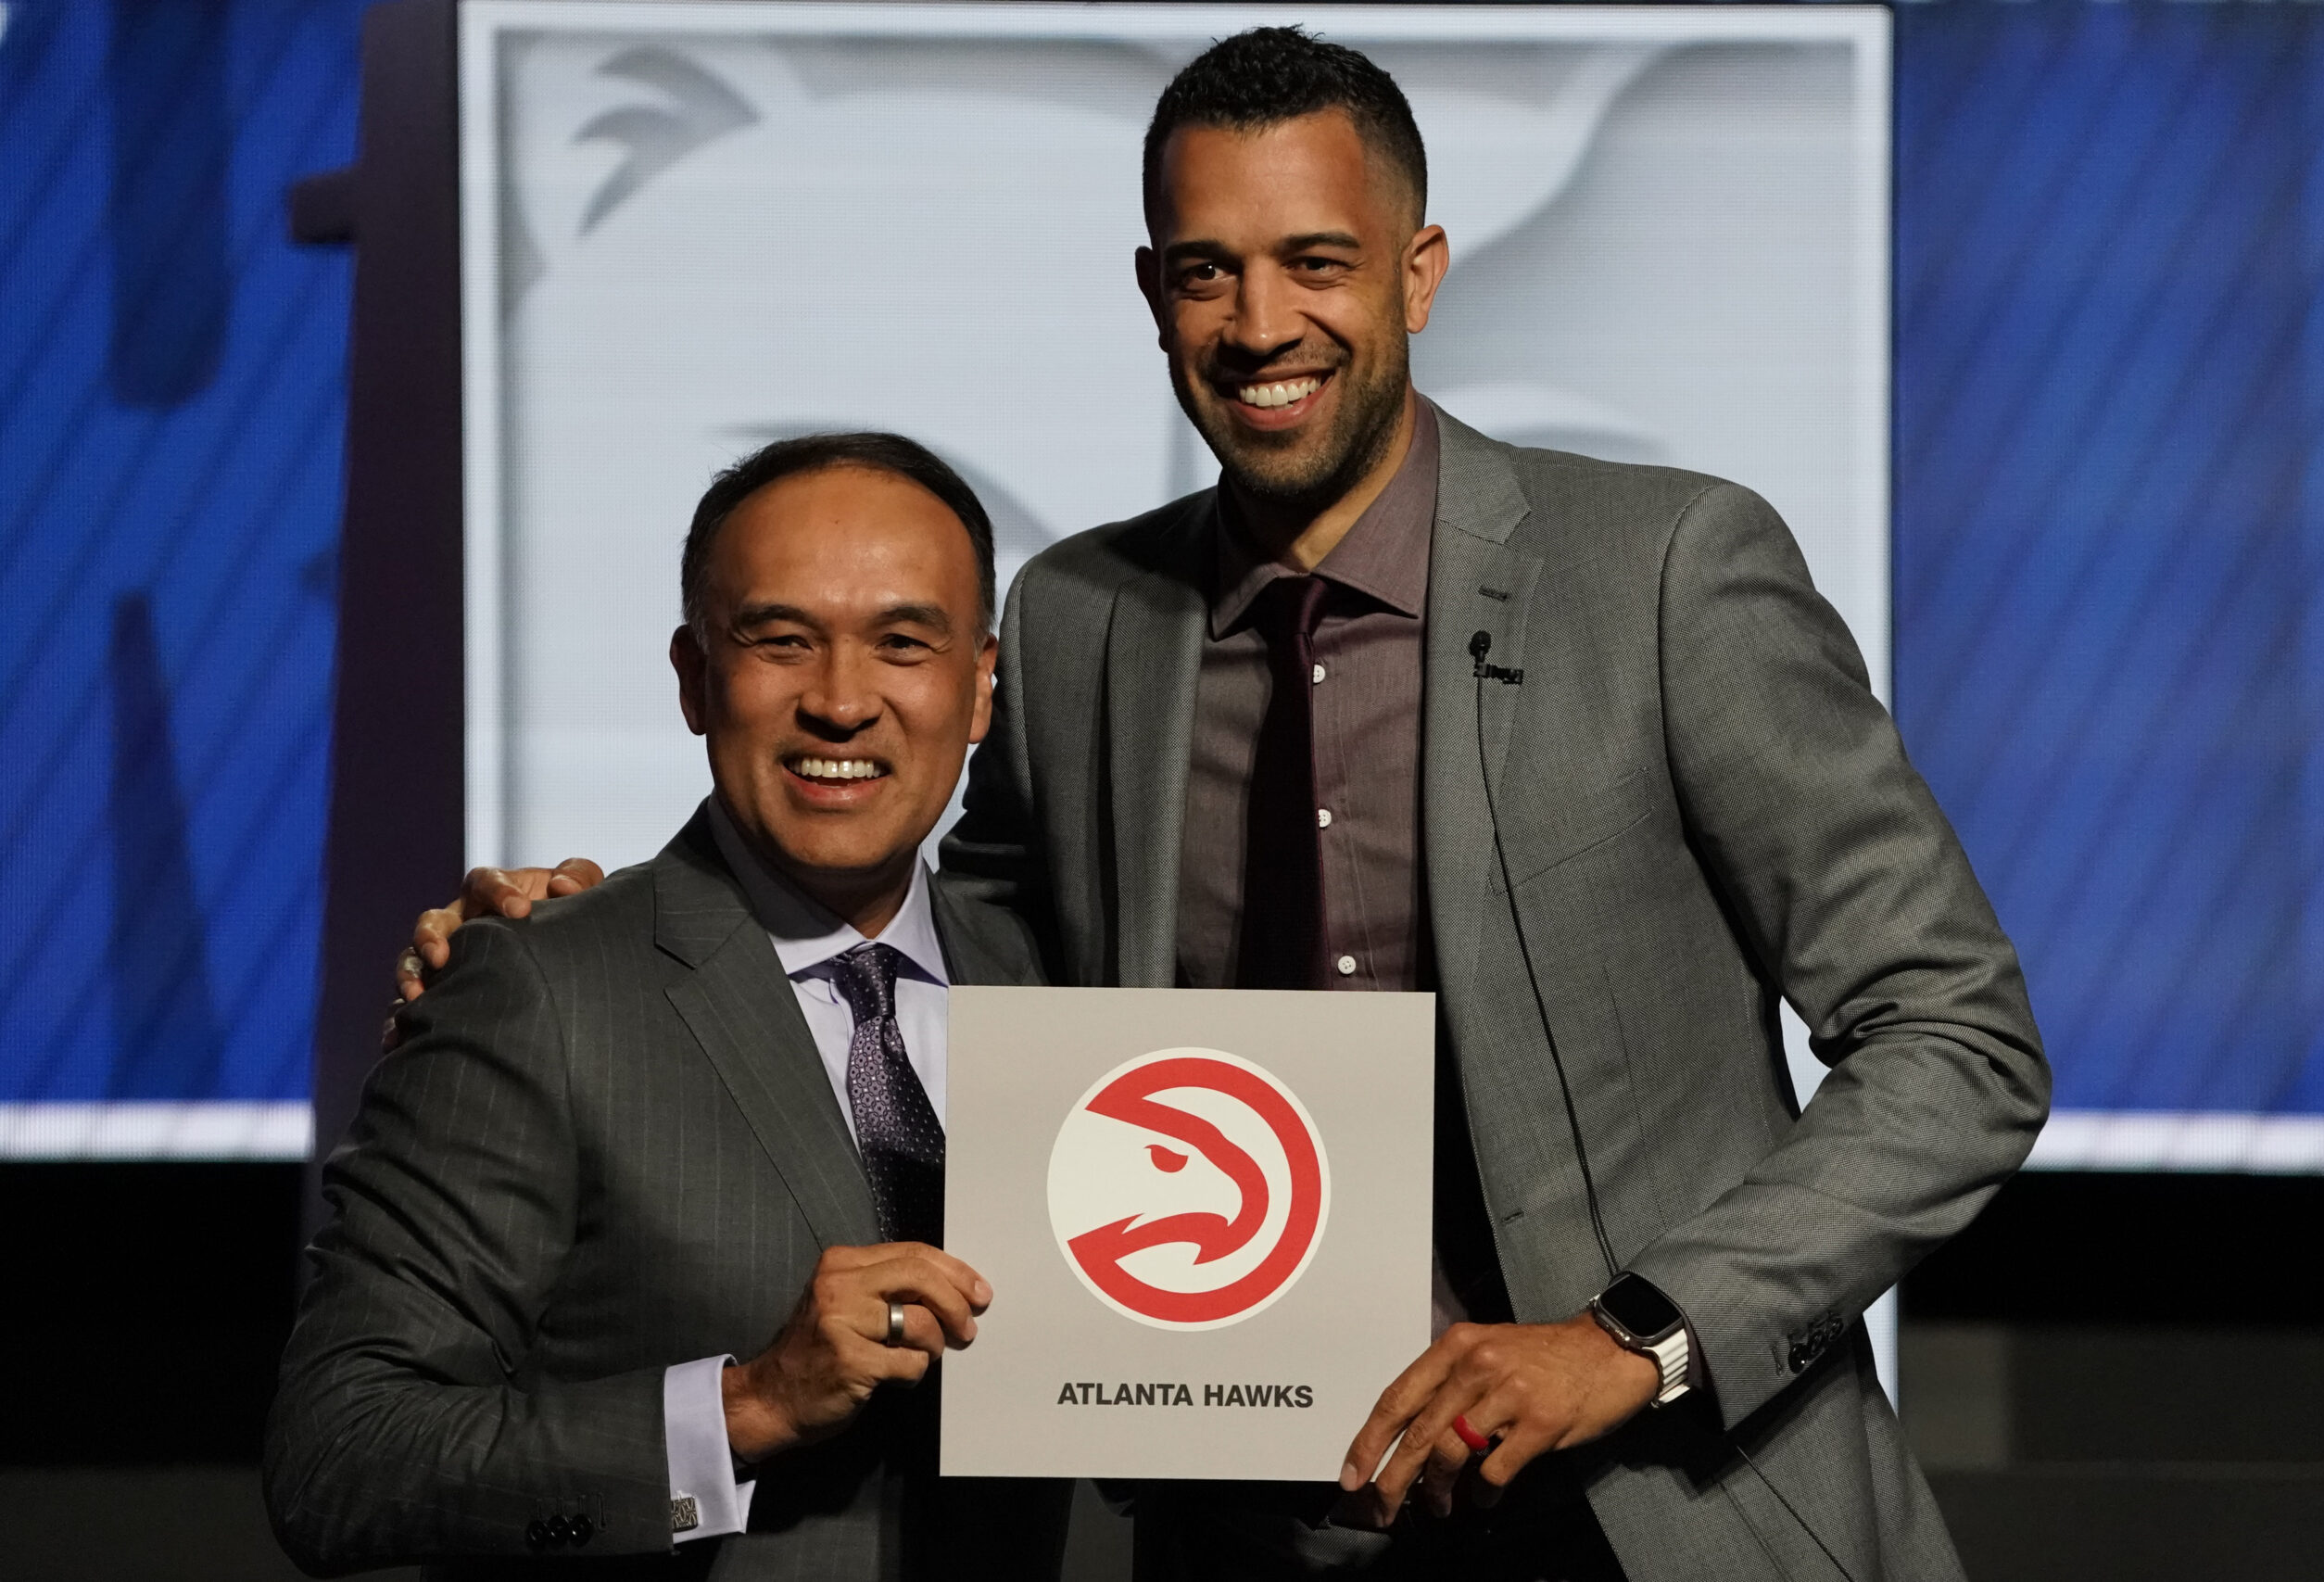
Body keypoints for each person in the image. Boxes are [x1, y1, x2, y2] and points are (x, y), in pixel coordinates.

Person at [407, 28, 2049, 1582]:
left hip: (1659, 1516)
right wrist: (613, 946)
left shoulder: (1666, 571)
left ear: (1418, 271)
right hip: (1239, 1531)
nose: (1261, 324)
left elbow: (1955, 1037)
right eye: (1208, 271)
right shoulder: (1077, 618)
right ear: (1154, 290)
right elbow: (947, 956)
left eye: (1316, 262)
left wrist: (1632, 1335)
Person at [268, 435, 1071, 1578]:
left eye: (902, 643)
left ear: (982, 684)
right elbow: (340, 1461)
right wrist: (744, 1408)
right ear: (696, 678)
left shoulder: (1054, 992)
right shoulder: (534, 991)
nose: (841, 703)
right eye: (781, 641)